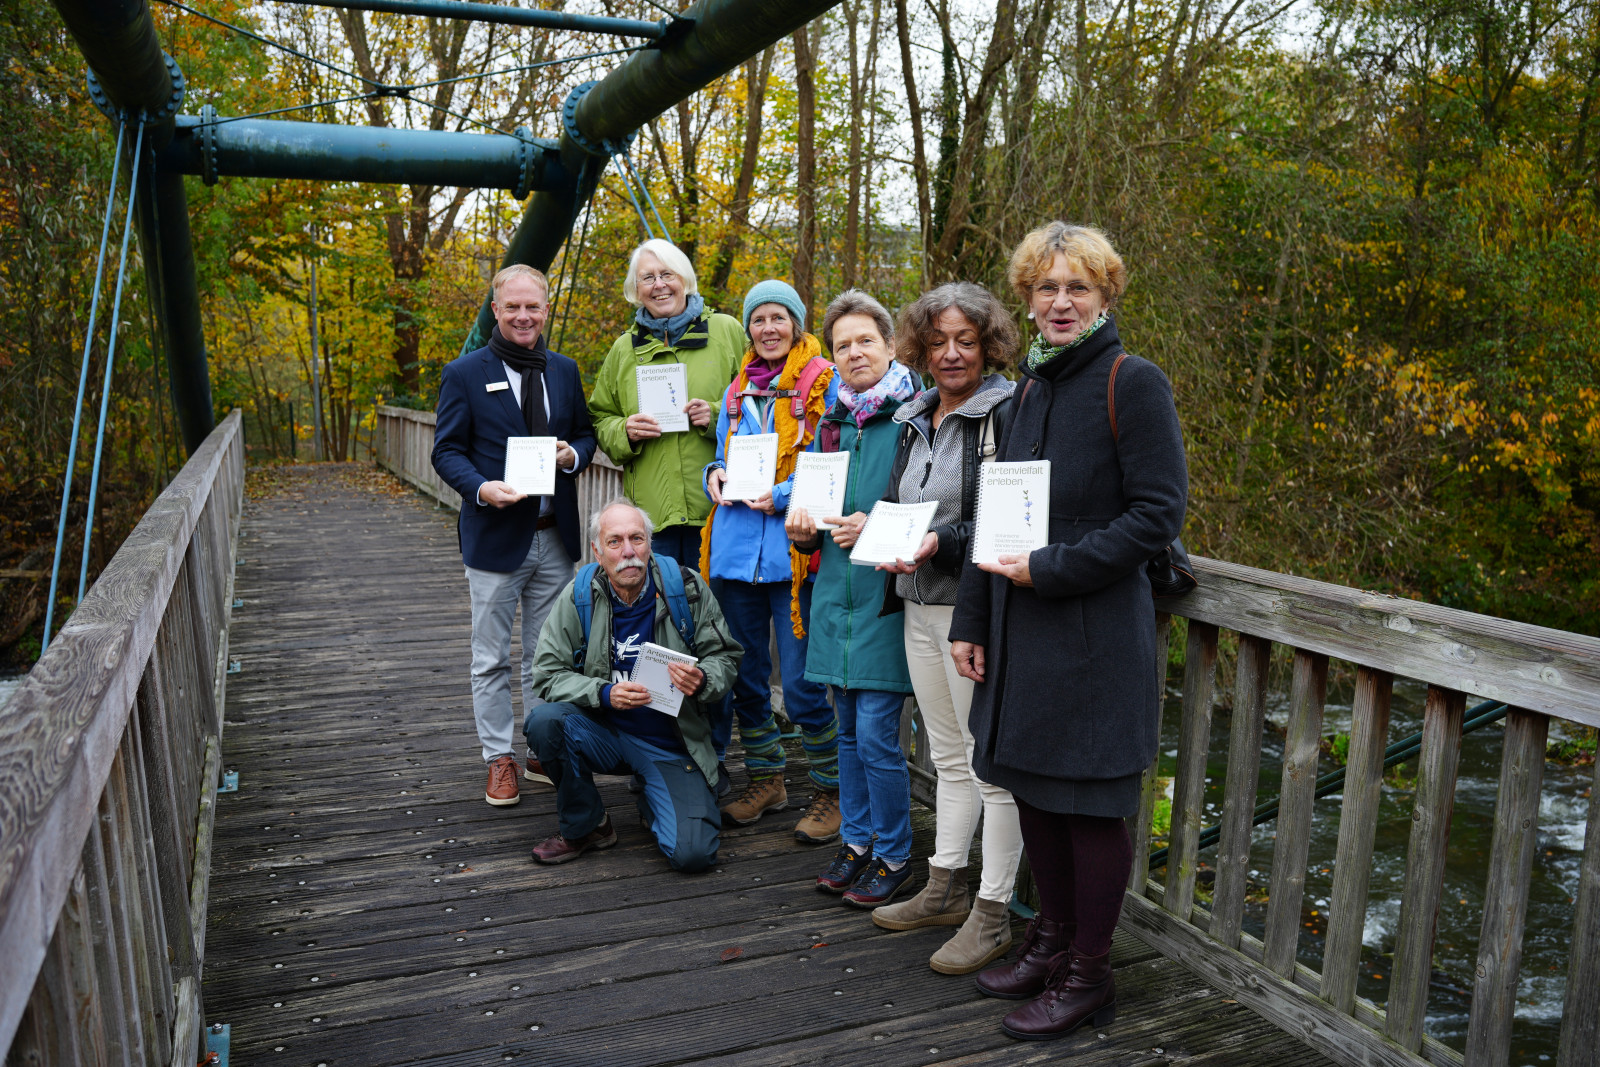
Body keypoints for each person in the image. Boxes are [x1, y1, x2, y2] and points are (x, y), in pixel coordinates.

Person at [952, 223, 1187, 1040]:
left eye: (1076, 287)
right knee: (1034, 793)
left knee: (1089, 808)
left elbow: (1157, 514)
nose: (1059, 301)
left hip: (1093, 637)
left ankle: (1089, 972)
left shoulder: (1134, 381)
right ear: (1028, 297)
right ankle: (1048, 942)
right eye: (1046, 288)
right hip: (1020, 635)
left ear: (1104, 295)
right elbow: (992, 516)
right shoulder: (1024, 393)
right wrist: (973, 618)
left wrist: (1051, 568)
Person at [868, 282, 1024, 976]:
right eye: (938, 341)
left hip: (975, 611)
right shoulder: (914, 414)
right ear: (920, 348)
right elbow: (900, 504)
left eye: (966, 339)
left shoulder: (1008, 413)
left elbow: (1009, 514)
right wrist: (870, 531)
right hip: (915, 605)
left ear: (988, 344)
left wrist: (943, 541)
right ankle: (943, 886)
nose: (952, 353)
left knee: (991, 765)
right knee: (949, 756)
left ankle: (992, 913)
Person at [431, 263, 597, 808]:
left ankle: (540, 748)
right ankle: (497, 758)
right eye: (513, 307)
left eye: (533, 307)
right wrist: (481, 489)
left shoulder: (565, 371)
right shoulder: (464, 373)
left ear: (545, 309)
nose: (524, 316)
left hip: (555, 536)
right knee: (491, 657)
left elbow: (585, 435)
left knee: (546, 655)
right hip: (496, 535)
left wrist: (572, 454)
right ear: (495, 311)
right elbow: (446, 451)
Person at [785, 290, 920, 907]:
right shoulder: (831, 422)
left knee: (875, 736)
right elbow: (815, 504)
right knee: (845, 732)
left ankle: (895, 853)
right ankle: (859, 843)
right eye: (842, 344)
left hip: (888, 594)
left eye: (867, 340)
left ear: (891, 346)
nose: (855, 352)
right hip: (832, 592)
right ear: (831, 356)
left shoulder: (917, 417)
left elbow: (934, 507)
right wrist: (803, 528)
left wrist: (876, 523)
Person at [522, 499, 743, 871]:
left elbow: (727, 657)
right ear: (597, 550)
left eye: (637, 539)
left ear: (650, 542)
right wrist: (603, 694)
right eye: (615, 541)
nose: (628, 552)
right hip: (603, 731)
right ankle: (588, 826)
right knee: (545, 722)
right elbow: (546, 673)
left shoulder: (685, 589)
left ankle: (652, 798)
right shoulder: (580, 595)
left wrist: (703, 678)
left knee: (694, 856)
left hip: (670, 743)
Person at [702, 279, 842, 844]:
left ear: (797, 324)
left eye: (778, 318)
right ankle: (768, 781)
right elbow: (723, 452)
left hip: (793, 555)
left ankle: (832, 791)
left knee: (806, 685)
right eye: (757, 319)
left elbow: (834, 457)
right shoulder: (736, 390)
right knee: (745, 677)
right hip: (736, 554)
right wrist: (716, 474)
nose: (767, 329)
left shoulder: (823, 384)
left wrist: (783, 496)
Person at [588, 239, 747, 567]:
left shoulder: (726, 332)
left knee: (715, 612)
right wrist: (624, 430)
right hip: (651, 517)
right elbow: (601, 416)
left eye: (667, 274)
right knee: (662, 611)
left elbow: (761, 403)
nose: (659, 285)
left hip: (719, 509)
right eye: (647, 278)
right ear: (636, 288)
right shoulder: (623, 349)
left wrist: (715, 415)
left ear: (685, 279)